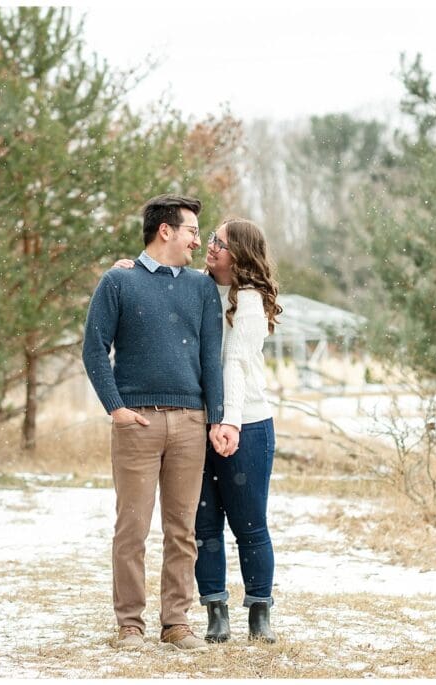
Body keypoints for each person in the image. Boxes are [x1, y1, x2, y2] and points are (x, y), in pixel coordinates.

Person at [114, 217, 283, 644]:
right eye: (210, 238)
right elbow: (156, 280)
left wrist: (228, 419)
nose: (210, 247)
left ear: (241, 254)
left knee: (249, 525)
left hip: (246, 421)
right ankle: (215, 611)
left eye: (221, 243)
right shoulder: (196, 285)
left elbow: (235, 364)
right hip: (199, 423)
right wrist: (127, 269)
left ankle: (259, 613)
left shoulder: (248, 298)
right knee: (201, 526)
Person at [82, 194, 225, 652]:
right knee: (132, 528)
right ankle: (130, 625)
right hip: (136, 422)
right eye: (192, 231)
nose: (197, 241)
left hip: (189, 421)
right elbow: (93, 348)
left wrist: (214, 418)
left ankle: (177, 622)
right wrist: (116, 407)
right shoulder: (118, 282)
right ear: (165, 230)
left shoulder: (201, 289)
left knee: (182, 529)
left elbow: (210, 360)